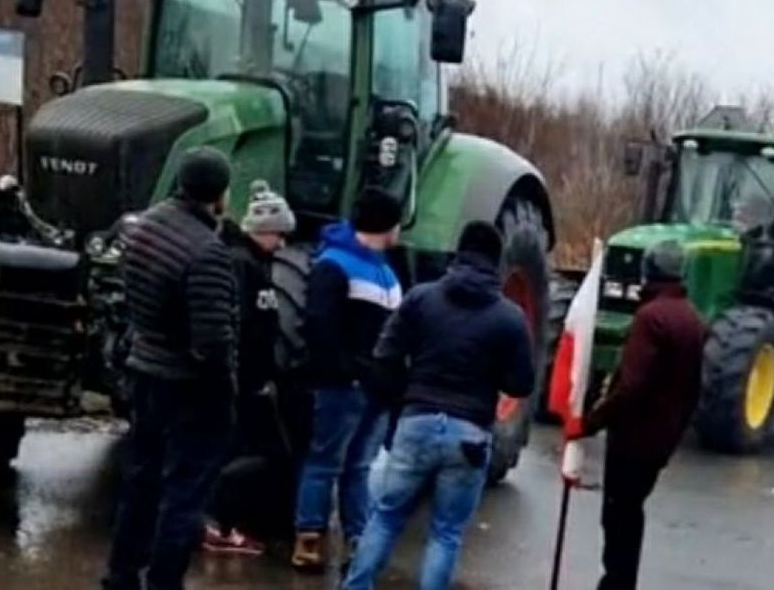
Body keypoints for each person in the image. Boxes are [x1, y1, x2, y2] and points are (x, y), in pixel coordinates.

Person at [341, 221, 536, 590]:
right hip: (470, 435)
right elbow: (521, 383)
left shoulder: (421, 298)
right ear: (496, 262)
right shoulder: (510, 318)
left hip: (416, 421)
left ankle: (357, 586)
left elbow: (385, 356)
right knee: (446, 533)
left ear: (459, 253)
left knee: (385, 518)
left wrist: (401, 400)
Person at [103, 147, 238, 590]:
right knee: (184, 496)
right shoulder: (209, 253)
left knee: (141, 483)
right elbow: (213, 341)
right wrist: (225, 389)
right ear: (218, 193)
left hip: (145, 369)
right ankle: (164, 582)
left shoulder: (148, 225)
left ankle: (121, 576)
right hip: (190, 388)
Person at [569, 240, 707, 590]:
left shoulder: (650, 318)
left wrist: (589, 423)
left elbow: (630, 385)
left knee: (617, 516)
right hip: (660, 443)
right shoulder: (694, 319)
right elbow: (693, 390)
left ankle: (616, 584)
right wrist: (672, 440)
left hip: (632, 439)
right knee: (632, 512)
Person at [292, 188, 404, 571]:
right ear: (387, 225)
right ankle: (310, 537)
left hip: (374, 387)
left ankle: (358, 539)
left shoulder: (385, 270)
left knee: (358, 466)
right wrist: (347, 372)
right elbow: (320, 325)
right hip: (345, 386)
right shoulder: (334, 266)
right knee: (327, 461)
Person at [202, 180, 296, 555]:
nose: (284, 244)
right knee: (244, 454)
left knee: (247, 452)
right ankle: (217, 522)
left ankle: (217, 520)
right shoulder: (245, 267)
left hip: (246, 378)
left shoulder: (251, 263)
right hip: (242, 381)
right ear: (264, 231)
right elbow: (245, 326)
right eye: (280, 235)